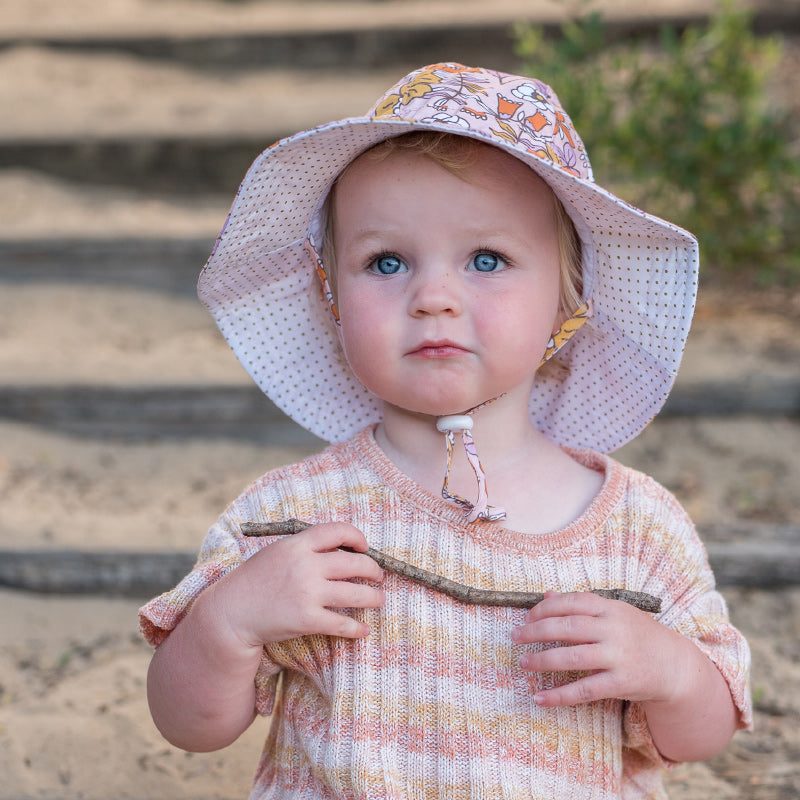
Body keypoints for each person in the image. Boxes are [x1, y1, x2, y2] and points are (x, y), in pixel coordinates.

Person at [140, 63, 751, 799]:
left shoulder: (637, 529)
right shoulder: (293, 516)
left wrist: (674, 673)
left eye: (487, 259)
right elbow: (190, 724)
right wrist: (227, 623)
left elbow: (702, 734)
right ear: (331, 301)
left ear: (570, 301)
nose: (432, 297)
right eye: (385, 261)